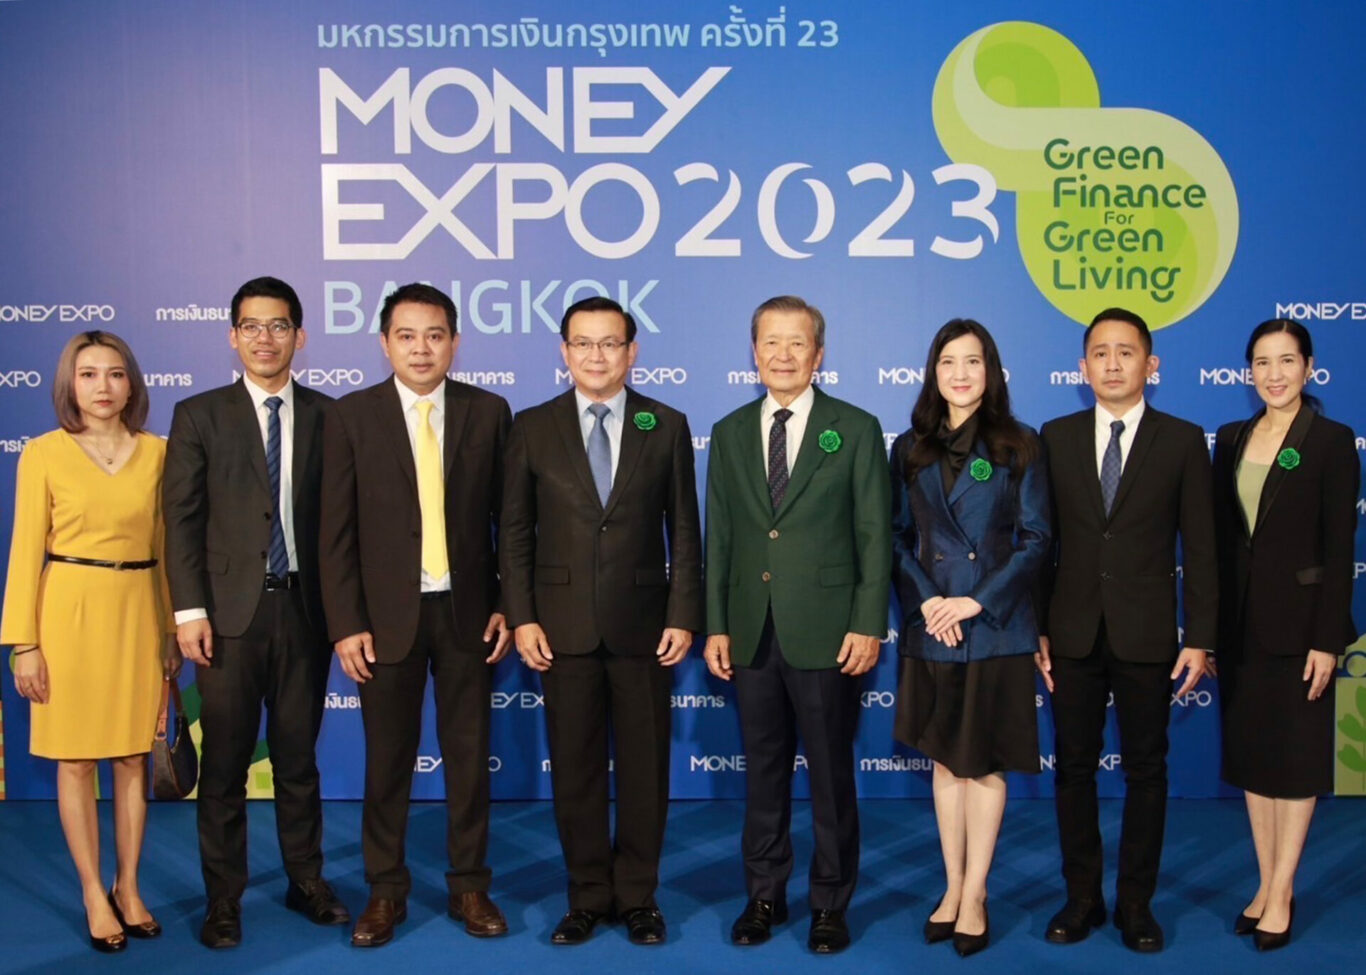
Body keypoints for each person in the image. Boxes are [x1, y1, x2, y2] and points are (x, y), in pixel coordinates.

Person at [501, 296, 703, 946]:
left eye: (610, 343)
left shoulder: (665, 424)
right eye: (583, 343)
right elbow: (515, 533)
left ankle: (639, 896)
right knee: (577, 768)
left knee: (645, 770)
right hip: (560, 629)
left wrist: (683, 613)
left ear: (632, 351)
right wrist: (523, 616)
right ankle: (587, 895)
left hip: (645, 626)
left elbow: (685, 530)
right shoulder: (532, 427)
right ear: (564, 352)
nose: (597, 355)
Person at [319, 282, 513, 948]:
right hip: (383, 621)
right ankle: (384, 890)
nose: (421, 348)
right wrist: (345, 622)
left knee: (469, 758)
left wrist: (508, 605)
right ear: (385, 343)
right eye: (407, 335)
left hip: (468, 615)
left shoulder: (488, 412)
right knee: (387, 762)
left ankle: (470, 884)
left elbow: (512, 522)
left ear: (455, 342)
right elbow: (334, 532)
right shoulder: (351, 416)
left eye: (434, 335)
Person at [162, 276, 349, 948]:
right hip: (226, 618)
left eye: (278, 326)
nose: (265, 338)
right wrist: (189, 611)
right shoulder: (199, 414)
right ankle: (223, 899)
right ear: (232, 335)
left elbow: (347, 525)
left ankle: (307, 880)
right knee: (225, 766)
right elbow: (181, 521)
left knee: (299, 759)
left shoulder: (332, 416)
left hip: (307, 613)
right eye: (252, 326)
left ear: (300, 335)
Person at [703, 295, 891, 954]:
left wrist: (868, 623)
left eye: (797, 343)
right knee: (763, 771)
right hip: (752, 629)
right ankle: (764, 893)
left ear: (819, 353)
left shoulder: (856, 428)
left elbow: (874, 534)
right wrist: (716, 624)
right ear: (754, 352)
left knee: (831, 775)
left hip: (829, 631)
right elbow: (721, 535)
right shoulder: (728, 431)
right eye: (770, 342)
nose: (783, 355)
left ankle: (830, 902)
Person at [1036, 307, 1217, 953]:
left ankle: (1136, 903)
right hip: (1071, 632)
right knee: (1073, 769)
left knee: (1147, 770)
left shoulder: (1183, 440)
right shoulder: (1054, 437)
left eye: (1126, 352)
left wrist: (1200, 635)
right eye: (1100, 353)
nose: (1112, 364)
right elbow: (1041, 542)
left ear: (1151, 364)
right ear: (1082, 368)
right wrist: (1037, 628)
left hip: (1148, 634)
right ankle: (1081, 896)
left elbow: (1202, 546)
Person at [1, 331, 174, 953]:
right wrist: (23, 643)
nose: (103, 386)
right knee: (75, 762)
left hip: (139, 611)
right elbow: (25, 549)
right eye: (89, 374)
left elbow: (168, 551)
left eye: (115, 374)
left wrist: (171, 632)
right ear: (69, 385)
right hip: (66, 615)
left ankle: (129, 887)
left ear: (133, 384)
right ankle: (93, 893)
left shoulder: (160, 453)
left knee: (132, 757)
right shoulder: (43, 453)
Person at [888, 319, 1050, 957]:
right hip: (933, 626)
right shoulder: (910, 448)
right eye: (948, 361)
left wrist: (974, 600)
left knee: (982, 765)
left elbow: (1037, 539)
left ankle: (977, 893)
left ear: (992, 371)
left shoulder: (1020, 444)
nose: (960, 373)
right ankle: (952, 887)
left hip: (994, 626)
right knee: (945, 762)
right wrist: (930, 600)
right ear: (933, 372)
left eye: (973, 361)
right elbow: (896, 538)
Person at [1211, 318, 1358, 951]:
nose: (1274, 375)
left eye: (1287, 361)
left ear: (1308, 367)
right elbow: (1220, 541)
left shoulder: (1330, 441)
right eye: (1262, 363)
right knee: (1255, 762)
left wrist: (1327, 640)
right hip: (1241, 628)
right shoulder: (1231, 437)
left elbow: (1340, 548)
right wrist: (1211, 631)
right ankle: (1267, 881)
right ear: (1249, 372)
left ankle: (1282, 891)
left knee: (1295, 765)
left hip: (1302, 632)